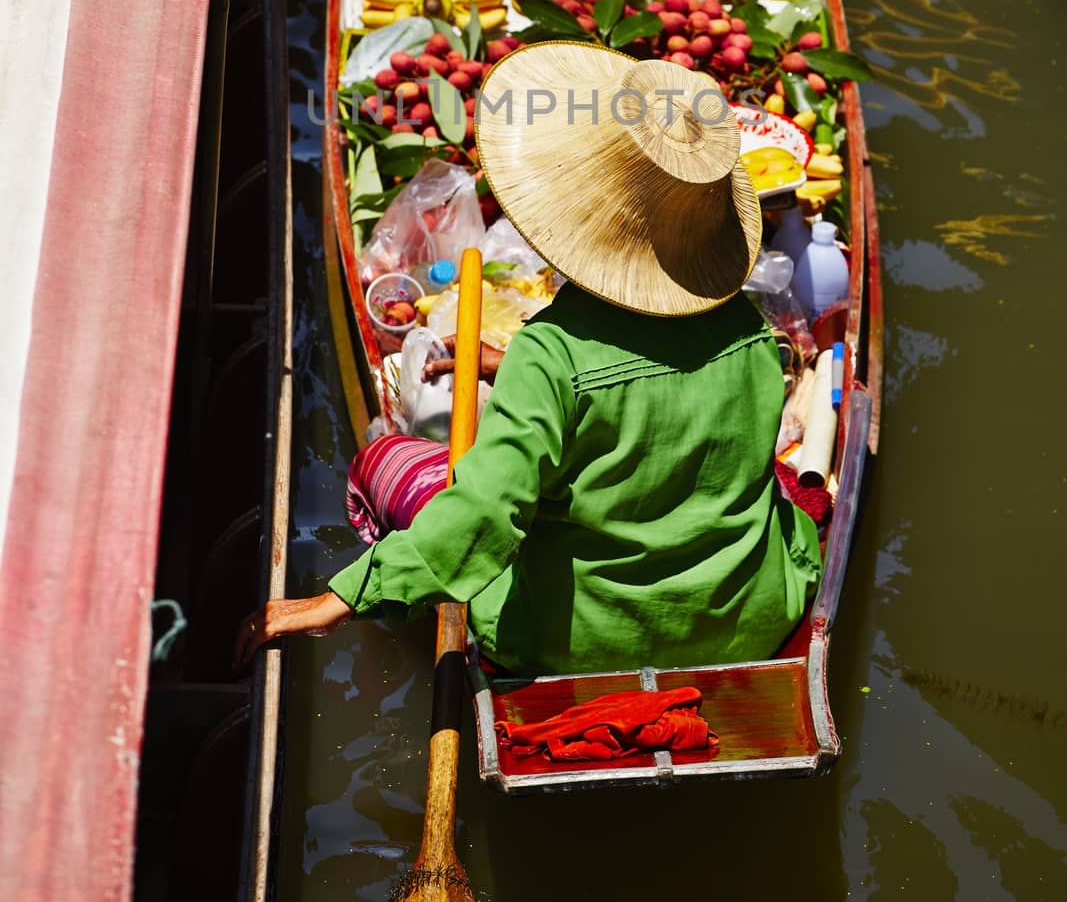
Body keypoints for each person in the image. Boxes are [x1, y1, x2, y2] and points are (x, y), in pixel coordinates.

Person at [234, 44, 823, 674]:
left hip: (576, 640)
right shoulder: (753, 335)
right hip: (749, 620)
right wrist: (510, 367)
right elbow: (658, 407)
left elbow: (487, 512)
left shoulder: (551, 352)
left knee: (390, 459)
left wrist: (336, 599)